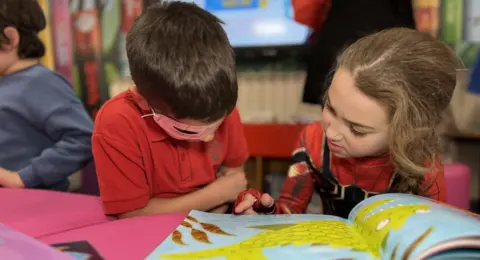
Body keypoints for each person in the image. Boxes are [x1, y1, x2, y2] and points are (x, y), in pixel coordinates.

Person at [234, 28, 459, 218]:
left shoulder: (422, 166)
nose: (332, 133)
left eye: (356, 130)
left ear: (407, 132)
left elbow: (432, 238)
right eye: (329, 107)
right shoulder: (313, 141)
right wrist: (265, 209)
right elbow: (289, 211)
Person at [92, 2, 249, 218]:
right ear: (144, 102)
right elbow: (132, 214)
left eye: (218, 124)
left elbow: (235, 176)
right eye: (188, 131)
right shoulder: (118, 121)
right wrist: (218, 195)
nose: (210, 137)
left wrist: (236, 201)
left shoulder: (217, 104)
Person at [0, 0, 93, 191]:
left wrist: (23, 177)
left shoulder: (40, 83)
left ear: (10, 38)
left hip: (33, 207)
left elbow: (83, 138)